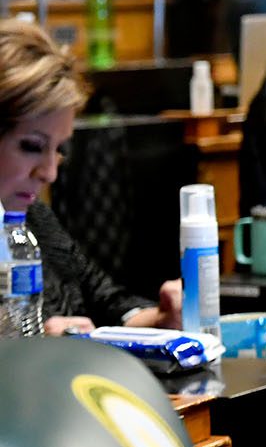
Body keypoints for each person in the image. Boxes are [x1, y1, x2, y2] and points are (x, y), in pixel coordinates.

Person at [0, 19, 180, 335]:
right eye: (32, 146)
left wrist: (157, 318)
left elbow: (103, 298)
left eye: (58, 149)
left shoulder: (31, 219)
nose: (49, 173)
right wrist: (34, 341)